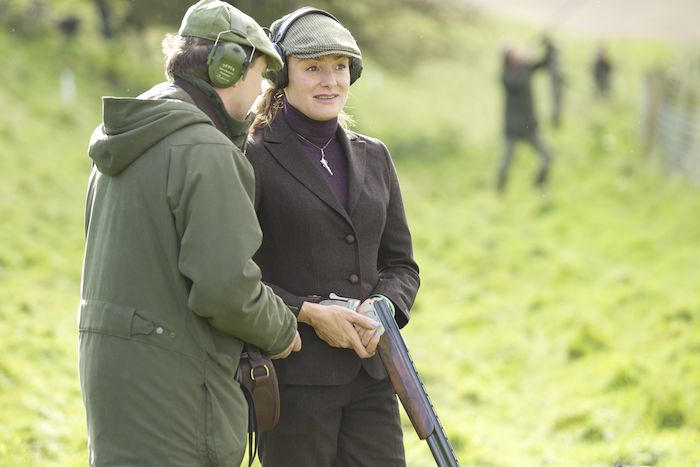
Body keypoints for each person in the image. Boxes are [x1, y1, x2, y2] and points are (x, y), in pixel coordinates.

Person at [78, 1, 301, 466]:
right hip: (175, 391)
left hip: (117, 382)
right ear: (228, 69)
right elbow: (225, 290)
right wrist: (283, 330)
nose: (262, 91)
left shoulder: (128, 138)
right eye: (259, 74)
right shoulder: (204, 150)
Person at [246, 7, 420, 466]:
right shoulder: (252, 156)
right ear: (283, 75)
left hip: (373, 377)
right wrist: (311, 314)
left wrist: (381, 310)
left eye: (339, 67)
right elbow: (238, 274)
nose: (330, 81)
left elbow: (401, 265)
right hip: (292, 380)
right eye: (313, 68)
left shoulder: (375, 156)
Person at [497, 42, 554, 194]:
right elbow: (519, 81)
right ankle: (500, 188)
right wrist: (526, 60)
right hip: (514, 128)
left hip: (529, 126)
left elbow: (545, 62)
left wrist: (548, 44)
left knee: (547, 155)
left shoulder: (524, 69)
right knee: (506, 161)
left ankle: (540, 183)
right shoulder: (506, 76)